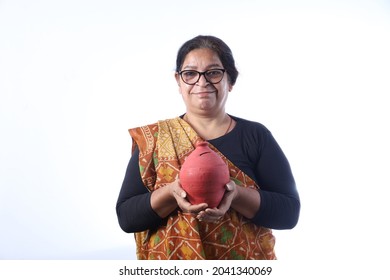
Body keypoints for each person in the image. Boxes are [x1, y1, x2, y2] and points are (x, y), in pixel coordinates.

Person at [116, 35, 300, 260]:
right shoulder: (155, 139)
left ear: (230, 81)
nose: (201, 83)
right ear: (178, 81)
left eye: (213, 72)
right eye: (190, 74)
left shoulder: (255, 136)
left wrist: (235, 195)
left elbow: (289, 213)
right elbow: (127, 218)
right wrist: (171, 193)